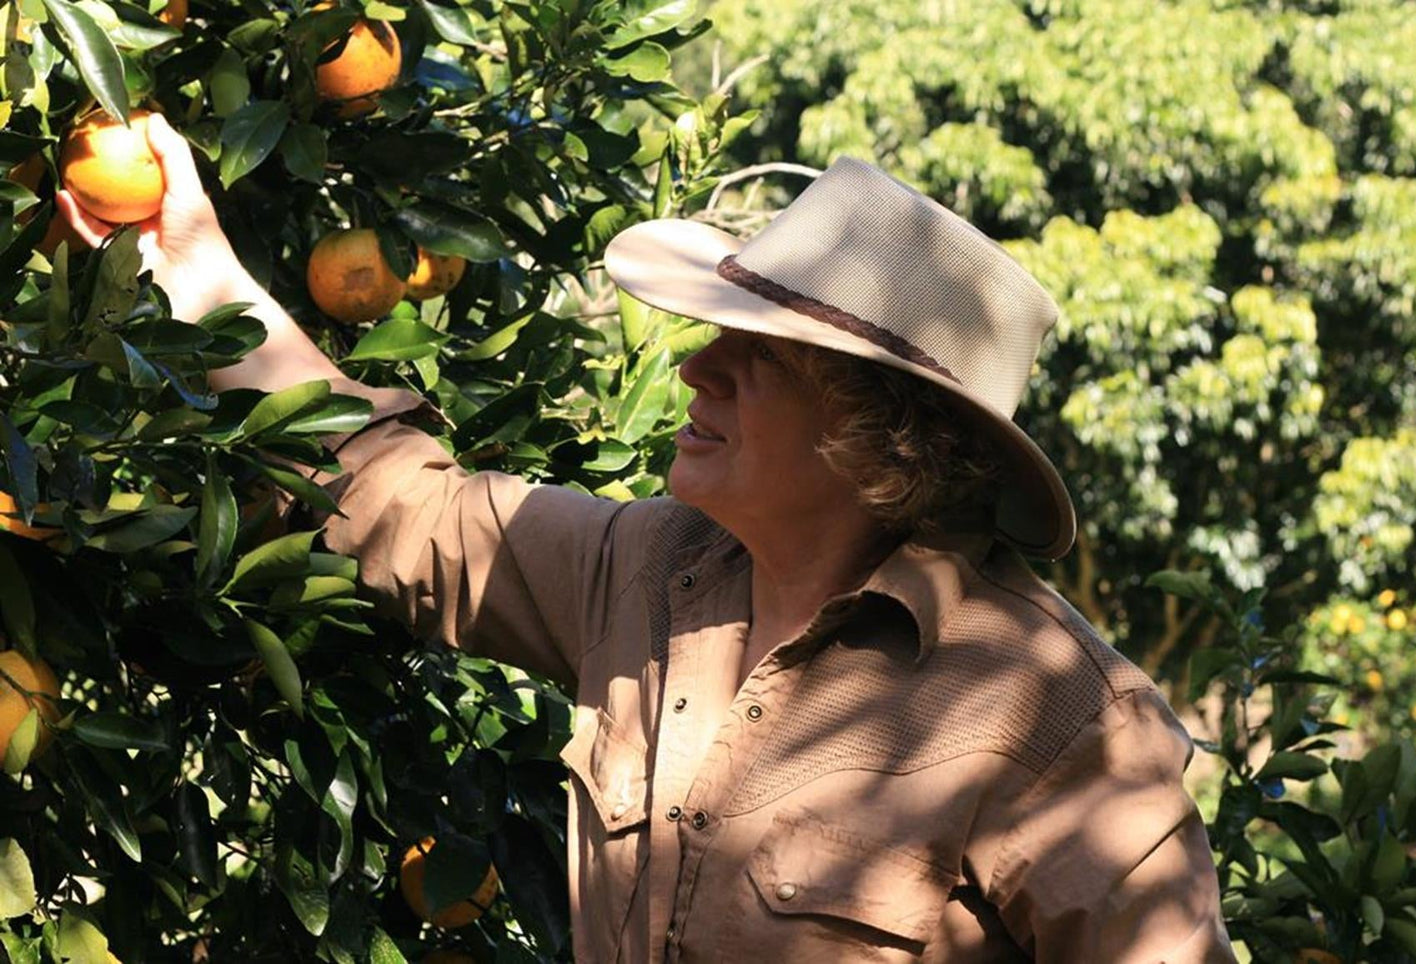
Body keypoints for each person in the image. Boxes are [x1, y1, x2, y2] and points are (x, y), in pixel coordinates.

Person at [60, 115, 1236, 963]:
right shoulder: (649, 573)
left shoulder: (1055, 721)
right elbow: (401, 501)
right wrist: (197, 268)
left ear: (880, 436)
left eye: (753, 357)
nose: (691, 368)